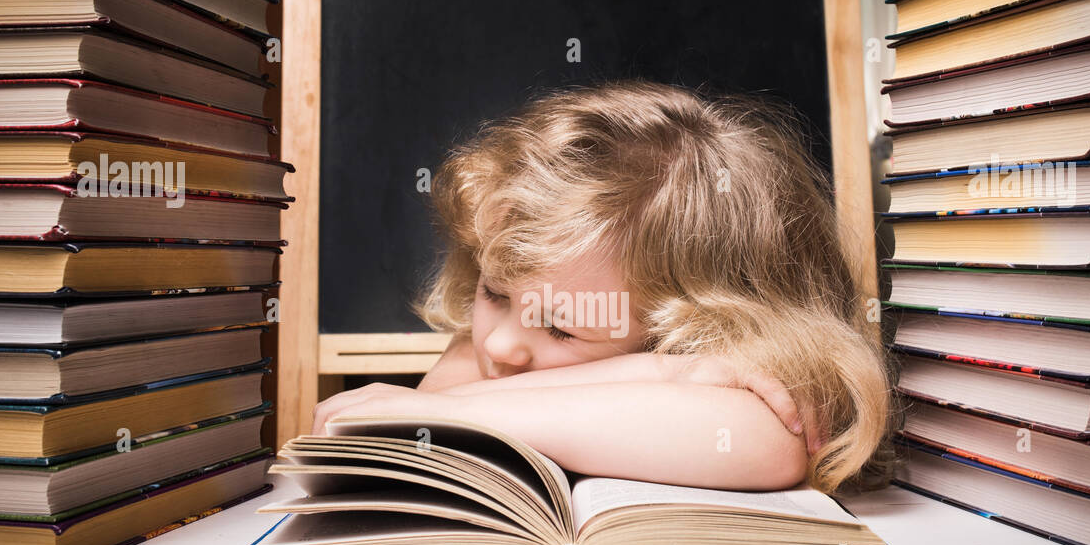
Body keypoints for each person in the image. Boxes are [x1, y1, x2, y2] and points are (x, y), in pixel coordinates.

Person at [312, 80, 896, 493]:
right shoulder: (485, 351)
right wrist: (655, 374)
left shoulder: (751, 389)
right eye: (495, 294)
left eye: (563, 325)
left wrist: (670, 371)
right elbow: (431, 411)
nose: (500, 346)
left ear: (694, 329)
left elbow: (767, 447)